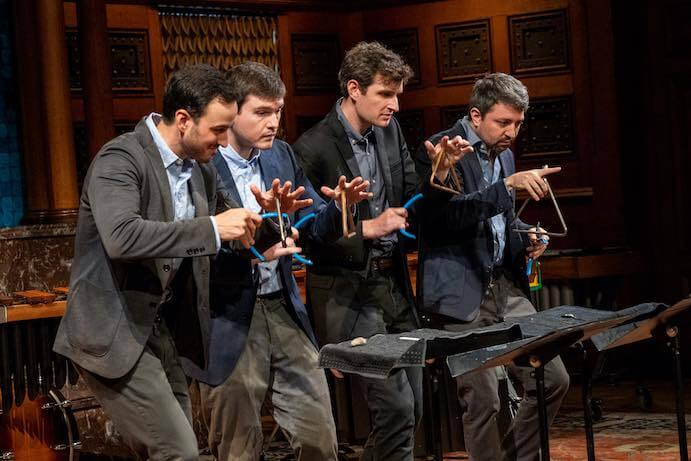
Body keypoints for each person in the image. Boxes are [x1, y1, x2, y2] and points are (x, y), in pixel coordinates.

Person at [53, 63, 262, 461]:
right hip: (113, 334)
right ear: (183, 119)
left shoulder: (200, 171)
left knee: (176, 450)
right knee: (177, 451)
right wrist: (213, 229)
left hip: (162, 332)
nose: (224, 140)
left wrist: (272, 222)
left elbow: (232, 230)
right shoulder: (120, 159)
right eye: (218, 129)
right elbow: (123, 237)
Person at [183, 61, 371, 461]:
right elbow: (193, 248)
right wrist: (261, 236)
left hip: (282, 306)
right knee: (237, 448)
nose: (273, 123)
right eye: (262, 112)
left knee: (319, 435)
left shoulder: (280, 155)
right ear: (232, 111)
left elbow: (310, 222)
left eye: (279, 111)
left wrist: (341, 209)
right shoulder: (201, 166)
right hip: (227, 313)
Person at [293, 41, 470, 460]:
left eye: (397, 94)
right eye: (385, 93)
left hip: (392, 287)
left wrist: (441, 175)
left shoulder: (389, 133)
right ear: (354, 89)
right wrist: (367, 226)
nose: (395, 103)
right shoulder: (313, 147)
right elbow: (307, 233)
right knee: (395, 408)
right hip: (348, 292)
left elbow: (411, 202)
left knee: (415, 407)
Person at [414, 72, 570, 461]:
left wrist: (525, 239)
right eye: (504, 122)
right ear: (476, 115)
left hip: (505, 287)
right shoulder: (438, 150)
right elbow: (443, 221)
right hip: (460, 292)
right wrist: (507, 189)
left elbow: (496, 225)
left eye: (518, 123)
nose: (512, 132)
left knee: (553, 378)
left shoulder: (505, 155)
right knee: (483, 400)